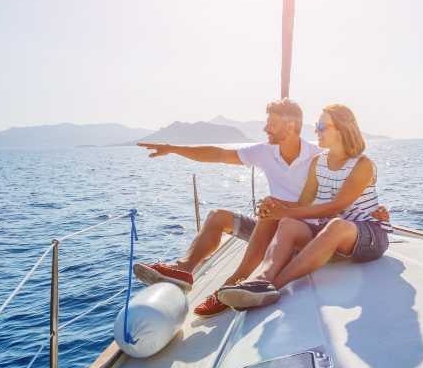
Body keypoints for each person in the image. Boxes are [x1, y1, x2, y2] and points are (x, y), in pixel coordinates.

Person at [134, 99, 388, 317]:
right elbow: (220, 155)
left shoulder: (324, 156)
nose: (265, 128)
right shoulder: (285, 156)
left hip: (327, 229)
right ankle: (196, 272)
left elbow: (338, 204)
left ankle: (251, 283)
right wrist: (174, 149)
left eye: (271, 123)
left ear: (291, 126)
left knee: (295, 220)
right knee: (228, 217)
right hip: (296, 226)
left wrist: (377, 213)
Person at [218, 104, 391, 310]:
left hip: (368, 236)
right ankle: (262, 277)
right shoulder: (318, 162)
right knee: (289, 223)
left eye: (321, 126)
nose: (316, 130)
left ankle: (273, 286)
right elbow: (304, 204)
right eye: (316, 126)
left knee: (336, 225)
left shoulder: (363, 165)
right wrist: (276, 206)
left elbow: (336, 206)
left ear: (342, 129)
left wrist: (284, 210)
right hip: (329, 236)